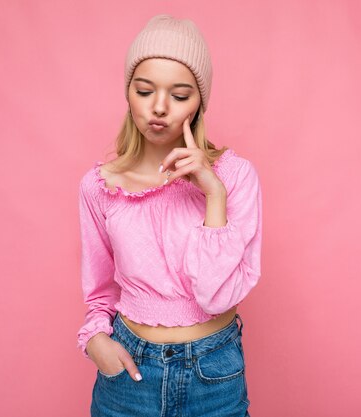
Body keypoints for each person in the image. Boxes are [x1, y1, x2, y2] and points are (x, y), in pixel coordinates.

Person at [76, 14, 262, 417]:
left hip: (213, 373)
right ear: (129, 94)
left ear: (199, 103)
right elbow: (99, 289)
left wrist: (213, 193)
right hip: (128, 374)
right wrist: (95, 339)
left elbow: (216, 295)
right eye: (145, 91)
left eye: (180, 96)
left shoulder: (234, 177)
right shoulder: (100, 186)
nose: (159, 108)